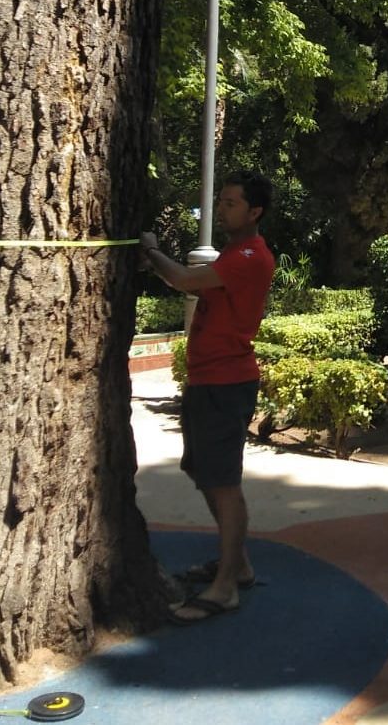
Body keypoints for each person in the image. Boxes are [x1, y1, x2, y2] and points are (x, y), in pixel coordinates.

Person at [140, 171, 276, 624]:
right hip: (206, 380)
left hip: (225, 382)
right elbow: (190, 281)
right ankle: (237, 566)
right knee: (203, 473)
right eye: (221, 201)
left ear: (254, 212)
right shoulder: (234, 254)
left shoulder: (250, 256)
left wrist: (152, 249)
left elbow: (181, 279)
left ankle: (225, 589)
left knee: (223, 482)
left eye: (232, 203)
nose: (222, 209)